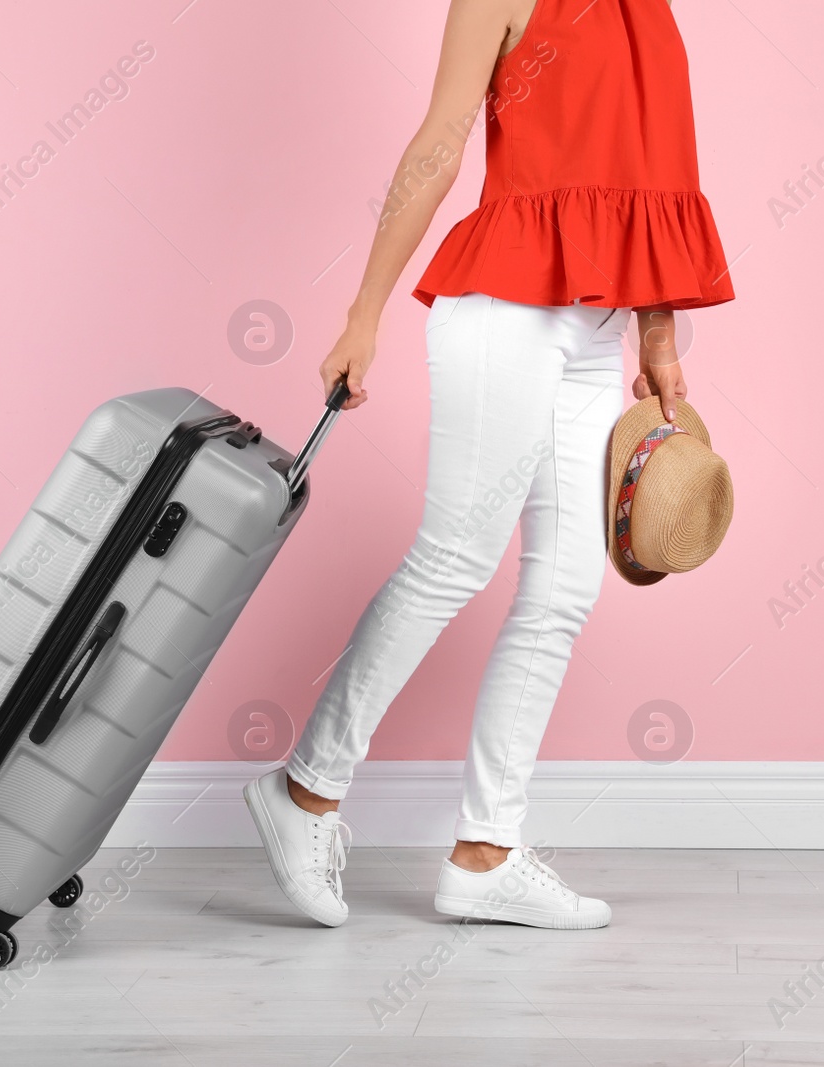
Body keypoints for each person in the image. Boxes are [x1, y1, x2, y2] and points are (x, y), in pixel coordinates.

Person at [245, 0, 734, 929]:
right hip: (506, 302)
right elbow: (439, 145)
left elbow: (658, 165)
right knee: (456, 557)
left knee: (564, 589)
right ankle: (304, 791)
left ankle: (486, 854)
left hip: (594, 324)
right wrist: (365, 313)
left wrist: (659, 331)